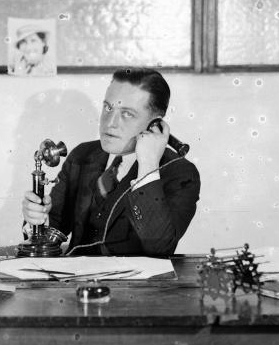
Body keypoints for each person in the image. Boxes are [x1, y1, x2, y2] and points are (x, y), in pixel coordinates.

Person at [21, 67, 201, 256]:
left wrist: (148, 166)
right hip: (75, 280)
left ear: (154, 124)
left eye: (127, 114)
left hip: (137, 285)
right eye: (108, 108)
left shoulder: (180, 174)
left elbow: (160, 248)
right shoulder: (82, 156)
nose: (110, 123)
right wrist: (37, 219)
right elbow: (54, 228)